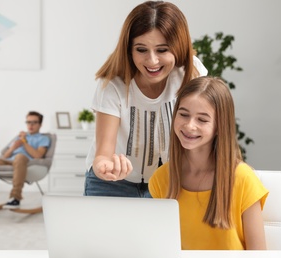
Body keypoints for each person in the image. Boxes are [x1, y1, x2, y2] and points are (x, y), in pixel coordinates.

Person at [84, 1, 208, 198]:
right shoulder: (113, 84)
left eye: (162, 50)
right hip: (113, 184)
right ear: (129, 49)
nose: (152, 61)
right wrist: (103, 167)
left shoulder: (190, 73)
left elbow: (205, 129)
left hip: (168, 179)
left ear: (178, 47)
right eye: (141, 50)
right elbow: (103, 153)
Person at [149, 76, 269, 250]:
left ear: (220, 126)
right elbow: (158, 246)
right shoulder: (162, 178)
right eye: (183, 114)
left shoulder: (243, 179)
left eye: (202, 119)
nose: (190, 126)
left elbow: (259, 255)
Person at [0, 111, 50, 219]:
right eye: (28, 122)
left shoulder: (43, 138)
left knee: (20, 156)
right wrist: (14, 147)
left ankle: (15, 198)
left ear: (40, 124)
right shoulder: (19, 137)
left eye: (34, 122)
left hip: (25, 162)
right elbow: (5, 155)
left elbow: (38, 155)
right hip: (8, 161)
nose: (30, 125)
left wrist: (24, 142)